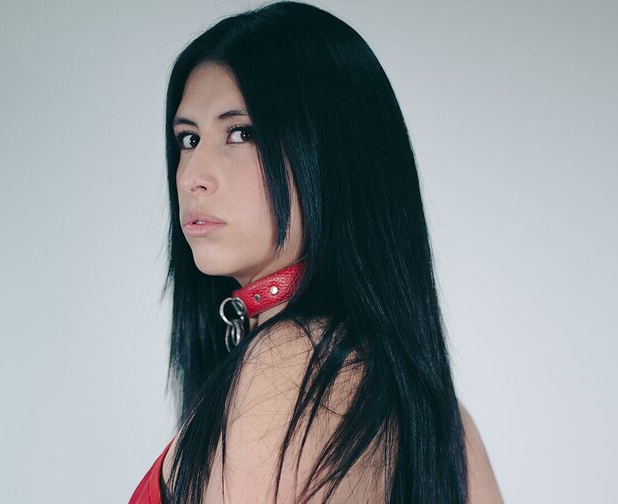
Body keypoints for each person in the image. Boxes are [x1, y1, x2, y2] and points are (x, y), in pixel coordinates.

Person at [130, 1, 503, 503]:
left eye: (241, 133)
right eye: (189, 138)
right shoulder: (447, 423)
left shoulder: (288, 362)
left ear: (331, 152)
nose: (193, 175)